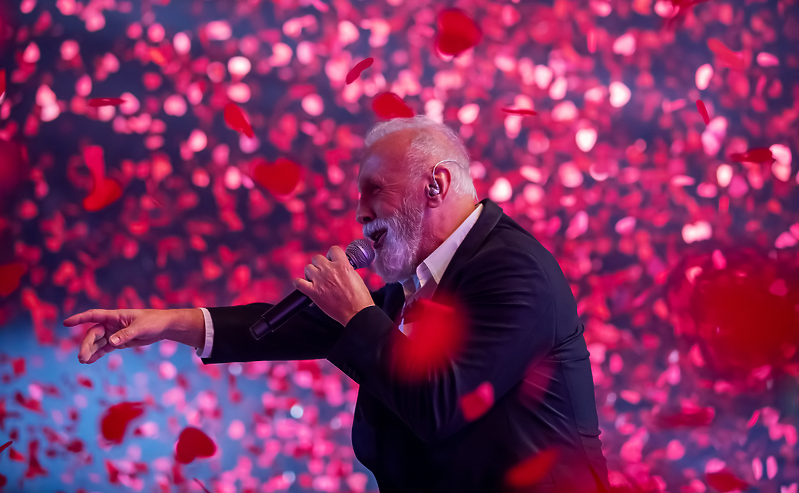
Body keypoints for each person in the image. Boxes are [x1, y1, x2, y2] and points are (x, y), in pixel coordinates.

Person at [64, 115, 610, 492]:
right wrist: (167, 323)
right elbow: (307, 329)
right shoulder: (421, 278)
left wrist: (357, 313)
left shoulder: (512, 269)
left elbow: (443, 405)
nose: (360, 212)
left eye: (373, 189)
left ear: (436, 184)